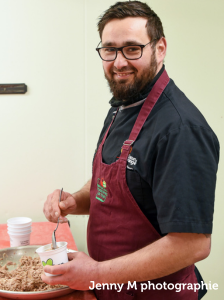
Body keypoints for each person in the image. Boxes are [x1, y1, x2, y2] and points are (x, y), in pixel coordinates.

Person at [42, 1, 219, 299]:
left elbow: (192, 244)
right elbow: (113, 184)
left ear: (160, 49)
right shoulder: (124, 106)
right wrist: (76, 200)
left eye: (132, 49)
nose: (119, 62)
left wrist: (96, 274)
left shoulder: (180, 130)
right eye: (109, 49)